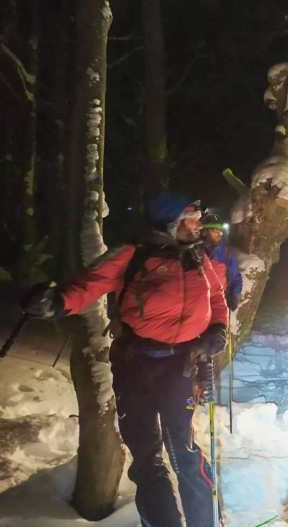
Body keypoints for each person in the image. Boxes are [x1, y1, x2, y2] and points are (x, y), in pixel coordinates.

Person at [24, 193, 228, 527]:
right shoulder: (135, 254)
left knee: (186, 455)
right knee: (147, 460)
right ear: (171, 220)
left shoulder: (198, 258)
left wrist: (218, 328)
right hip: (137, 367)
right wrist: (56, 302)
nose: (199, 223)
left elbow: (217, 297)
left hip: (182, 366)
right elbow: (90, 284)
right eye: (192, 216)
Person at [201, 211, 242, 311]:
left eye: (220, 230)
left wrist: (235, 296)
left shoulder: (227, 253)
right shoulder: (195, 251)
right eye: (215, 230)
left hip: (219, 301)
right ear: (204, 232)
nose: (220, 233)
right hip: (200, 301)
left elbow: (235, 277)